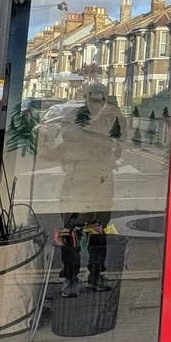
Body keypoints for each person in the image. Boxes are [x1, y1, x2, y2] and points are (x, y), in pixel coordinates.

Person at [54, 82, 126, 296]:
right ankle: (73, 276)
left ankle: (89, 275)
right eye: (94, 99)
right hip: (82, 181)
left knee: (95, 230)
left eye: (99, 99)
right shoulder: (78, 117)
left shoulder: (109, 117)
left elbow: (120, 143)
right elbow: (65, 143)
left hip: (96, 181)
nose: (96, 103)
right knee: (75, 230)